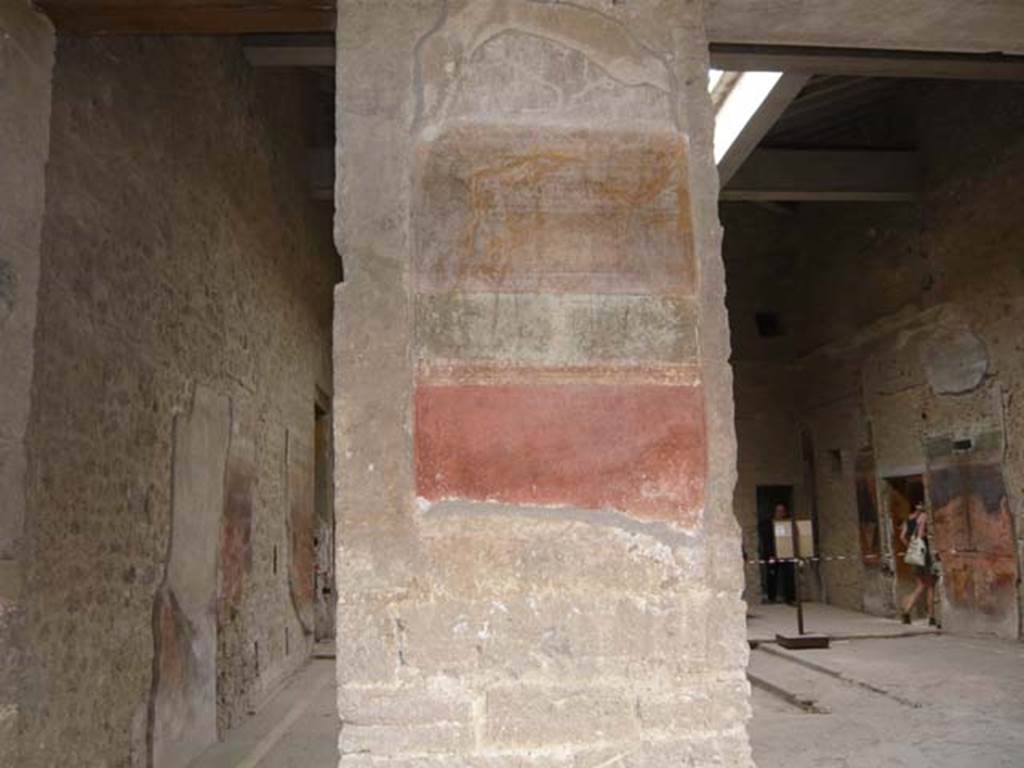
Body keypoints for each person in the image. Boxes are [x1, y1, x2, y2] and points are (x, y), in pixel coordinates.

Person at [900, 502, 938, 626]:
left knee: (921, 585)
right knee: (930, 586)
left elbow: (902, 537)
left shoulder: (908, 520)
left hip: (917, 555)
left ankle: (907, 612)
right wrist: (929, 535)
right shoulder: (924, 517)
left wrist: (911, 547)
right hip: (925, 555)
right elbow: (921, 534)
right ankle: (931, 617)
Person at [767, 503, 796, 604]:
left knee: (789, 575)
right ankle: (771, 597)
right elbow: (767, 540)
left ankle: (790, 598)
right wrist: (770, 553)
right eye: (778, 511)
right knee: (772, 575)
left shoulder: (788, 523)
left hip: (787, 553)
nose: (780, 513)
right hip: (773, 553)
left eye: (782, 511)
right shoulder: (770, 524)